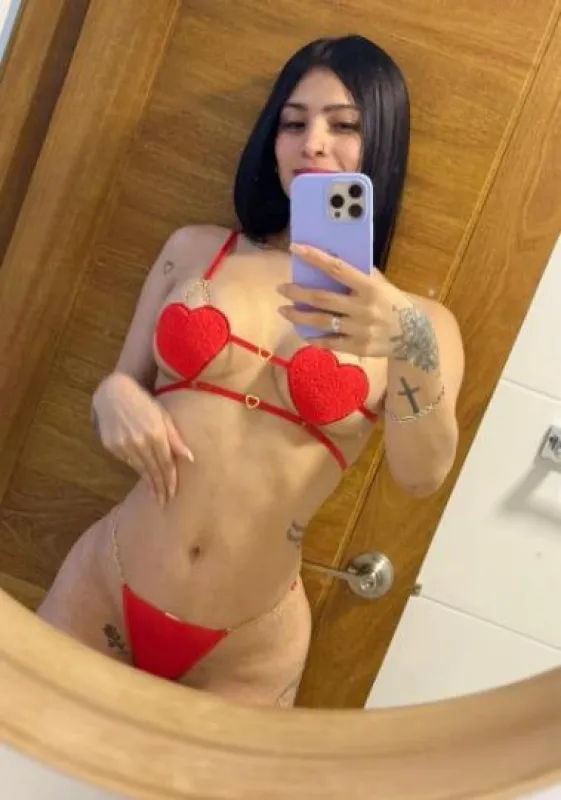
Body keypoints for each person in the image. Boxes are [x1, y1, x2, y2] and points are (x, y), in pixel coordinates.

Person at [37, 34, 464, 708]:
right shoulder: (195, 251)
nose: (312, 144)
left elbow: (422, 475)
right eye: (293, 123)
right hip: (103, 588)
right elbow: (117, 390)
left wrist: (410, 341)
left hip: (248, 650)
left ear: (381, 143)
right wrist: (113, 394)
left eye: (343, 126)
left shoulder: (422, 324)